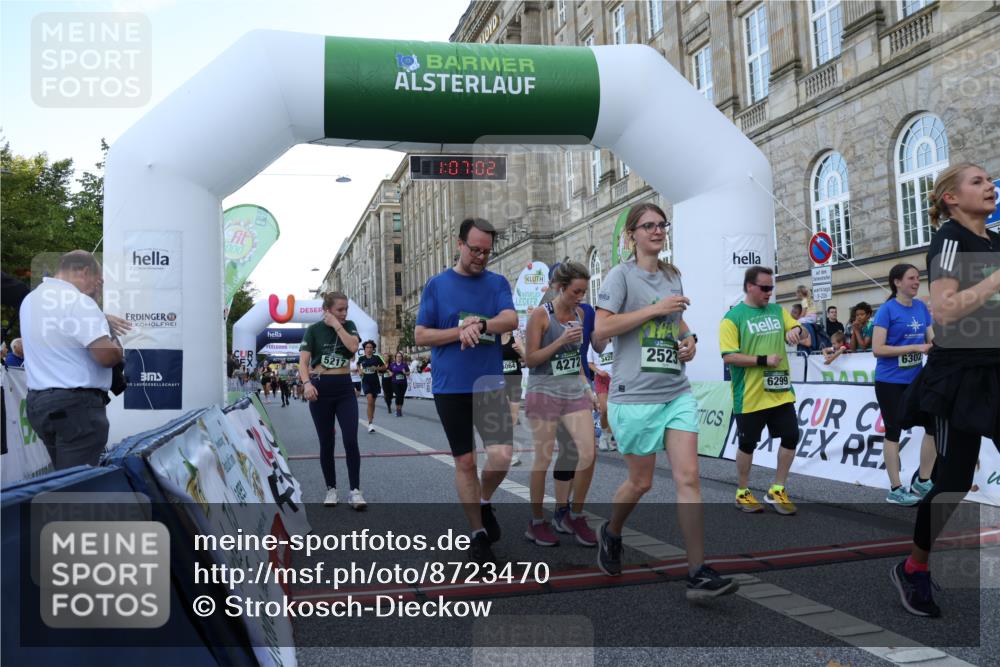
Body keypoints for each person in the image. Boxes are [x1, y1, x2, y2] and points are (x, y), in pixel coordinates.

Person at [594, 203, 737, 599]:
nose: (658, 231)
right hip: (634, 395)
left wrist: (688, 339)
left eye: (662, 225)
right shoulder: (620, 277)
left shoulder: (673, 276)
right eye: (649, 226)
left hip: (675, 391)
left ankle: (697, 571)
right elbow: (600, 332)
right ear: (632, 235)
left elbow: (675, 320)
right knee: (639, 482)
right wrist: (653, 309)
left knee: (688, 478)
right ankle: (611, 531)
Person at [891, 163, 999, 617]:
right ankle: (914, 568)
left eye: (989, 179)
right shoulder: (951, 240)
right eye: (977, 181)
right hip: (960, 376)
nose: (990, 185)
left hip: (996, 367)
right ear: (951, 198)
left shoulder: (996, 241)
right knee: (952, 482)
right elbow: (945, 310)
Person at [414, 217, 518, 564]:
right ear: (459, 245)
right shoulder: (436, 286)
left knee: (502, 456)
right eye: (475, 249)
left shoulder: (497, 282)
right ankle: (478, 534)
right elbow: (421, 335)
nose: (480, 257)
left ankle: (484, 500)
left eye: (487, 251)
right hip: (450, 387)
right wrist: (459, 331)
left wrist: (482, 324)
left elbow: (511, 319)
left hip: (488, 384)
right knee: (465, 460)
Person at [19, 250, 129, 469]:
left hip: (39, 404)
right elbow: (106, 356)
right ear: (86, 272)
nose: (99, 287)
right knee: (78, 486)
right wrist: (117, 348)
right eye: (99, 281)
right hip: (76, 407)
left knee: (62, 478)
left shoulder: (31, 300)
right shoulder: (78, 302)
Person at [522, 261, 601, 548]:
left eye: (583, 291)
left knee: (588, 452)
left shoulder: (580, 314)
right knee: (543, 458)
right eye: (576, 291)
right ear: (560, 287)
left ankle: (574, 514)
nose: (581, 297)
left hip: (572, 391)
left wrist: (587, 389)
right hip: (543, 391)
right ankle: (536, 521)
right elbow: (530, 359)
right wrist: (560, 341)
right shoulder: (541, 317)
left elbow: (575, 362)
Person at [721, 265, 810, 515]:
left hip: (780, 391)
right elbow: (729, 357)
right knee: (748, 444)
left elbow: (800, 331)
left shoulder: (777, 311)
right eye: (765, 288)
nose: (769, 292)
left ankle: (777, 489)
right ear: (750, 287)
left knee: (791, 436)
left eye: (772, 287)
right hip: (750, 395)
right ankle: (742, 492)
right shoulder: (733, 318)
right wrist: (762, 360)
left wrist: (796, 330)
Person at [872, 263, 937, 506]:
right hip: (890, 382)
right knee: (894, 430)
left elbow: (932, 340)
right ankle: (896, 488)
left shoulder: (920, 307)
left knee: (933, 426)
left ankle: (923, 479)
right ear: (897, 282)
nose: (916, 281)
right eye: (911, 278)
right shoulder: (887, 310)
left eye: (918, 278)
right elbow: (877, 349)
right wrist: (914, 347)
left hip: (916, 381)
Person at [299, 291, 365, 509]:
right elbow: (303, 362)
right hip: (320, 389)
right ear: (327, 310)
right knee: (326, 442)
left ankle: (355, 491)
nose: (344, 313)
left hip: (344, 388)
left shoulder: (349, 325)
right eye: (340, 310)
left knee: (350, 440)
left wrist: (337, 324)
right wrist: (307, 384)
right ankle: (331, 489)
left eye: (346, 309)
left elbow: (354, 347)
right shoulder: (313, 330)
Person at [500, 330, 525, 466]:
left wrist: (521, 351)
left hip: (515, 383)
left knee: (513, 419)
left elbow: (527, 359)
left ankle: (508, 451)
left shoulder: (516, 340)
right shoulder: (495, 341)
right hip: (499, 384)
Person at [588, 330, 615, 450]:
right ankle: (604, 437)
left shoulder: (616, 343)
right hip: (601, 379)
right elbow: (589, 363)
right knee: (604, 410)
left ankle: (608, 439)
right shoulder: (594, 345)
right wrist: (599, 371)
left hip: (615, 379)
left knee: (613, 411)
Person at [358, 341, 386, 433]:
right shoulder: (362, 358)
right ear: (364, 349)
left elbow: (384, 367)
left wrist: (377, 368)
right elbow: (358, 365)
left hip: (375, 382)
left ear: (373, 349)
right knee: (369, 400)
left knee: (372, 403)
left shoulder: (377, 357)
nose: (369, 349)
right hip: (366, 382)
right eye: (367, 347)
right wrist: (360, 371)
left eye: (370, 347)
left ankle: (371, 416)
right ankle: (370, 423)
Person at [389, 352, 410, 417]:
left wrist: (405, 372)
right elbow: (388, 370)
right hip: (395, 383)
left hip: (403, 383)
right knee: (398, 395)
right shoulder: (392, 364)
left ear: (402, 357)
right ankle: (398, 410)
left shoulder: (404, 365)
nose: (399, 358)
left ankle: (399, 410)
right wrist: (390, 373)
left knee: (401, 396)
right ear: (395, 358)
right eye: (397, 356)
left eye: (400, 356)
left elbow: (408, 373)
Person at [380, 350, 395, 416]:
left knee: (391, 395)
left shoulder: (391, 364)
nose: (385, 358)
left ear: (389, 358)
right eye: (384, 356)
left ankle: (388, 399)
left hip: (391, 381)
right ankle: (389, 407)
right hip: (384, 381)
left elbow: (393, 372)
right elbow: (379, 372)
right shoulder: (381, 364)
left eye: (386, 357)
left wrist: (389, 371)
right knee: (386, 394)